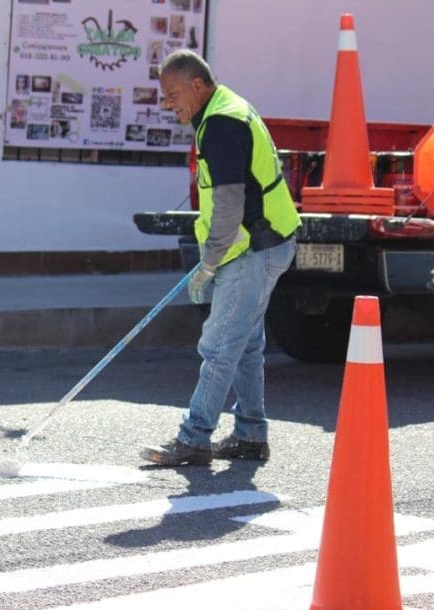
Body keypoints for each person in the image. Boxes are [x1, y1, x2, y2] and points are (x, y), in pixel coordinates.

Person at [141, 49, 299, 467]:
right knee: (245, 342)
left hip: (254, 247)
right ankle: (250, 435)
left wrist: (209, 262)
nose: (168, 103)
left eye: (173, 93)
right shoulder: (221, 112)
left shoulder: (221, 124)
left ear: (198, 85)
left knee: (220, 343)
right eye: (164, 95)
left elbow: (229, 205)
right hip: (262, 243)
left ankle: (194, 438)